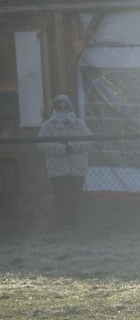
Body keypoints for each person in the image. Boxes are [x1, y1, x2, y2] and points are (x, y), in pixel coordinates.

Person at [38, 94, 92, 228]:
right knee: (60, 197)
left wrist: (72, 147)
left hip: (77, 167)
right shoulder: (48, 125)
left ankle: (75, 224)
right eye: (59, 107)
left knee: (75, 197)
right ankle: (62, 224)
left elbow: (90, 142)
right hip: (58, 168)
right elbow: (41, 145)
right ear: (55, 108)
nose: (63, 109)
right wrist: (60, 149)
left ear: (70, 107)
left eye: (65, 106)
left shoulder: (79, 124)